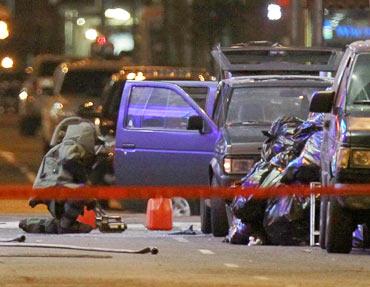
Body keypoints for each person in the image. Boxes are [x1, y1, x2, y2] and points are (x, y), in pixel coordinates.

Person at [19, 121, 98, 234]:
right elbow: (69, 160)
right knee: (82, 192)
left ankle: (34, 224)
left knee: (65, 223)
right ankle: (65, 226)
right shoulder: (71, 146)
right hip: (54, 189)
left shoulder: (61, 147)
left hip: (51, 189)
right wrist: (85, 182)